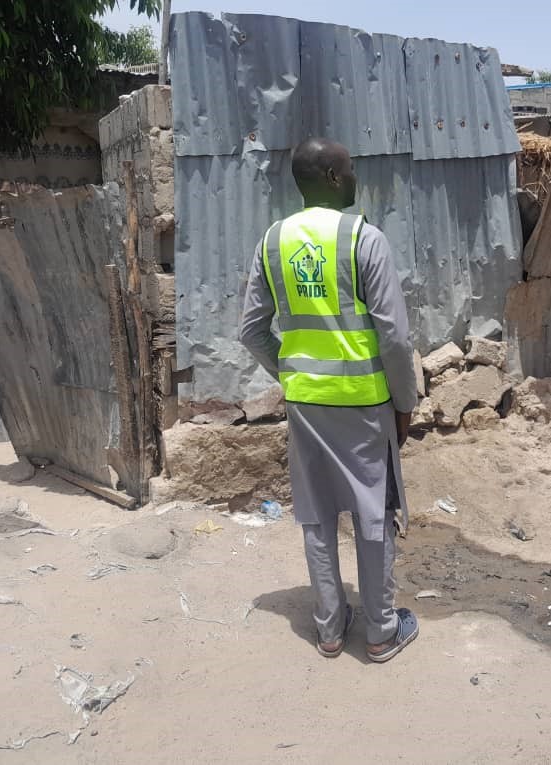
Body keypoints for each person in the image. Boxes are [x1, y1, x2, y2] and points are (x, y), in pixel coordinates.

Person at [240, 137, 419, 662]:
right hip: (364, 401)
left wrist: (292, 372)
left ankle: (330, 627)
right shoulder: (364, 238)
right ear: (335, 178)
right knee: (373, 512)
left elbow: (251, 330)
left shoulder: (272, 242)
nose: (358, 176)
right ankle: (382, 631)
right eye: (352, 168)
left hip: (305, 403)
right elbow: (395, 337)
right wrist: (404, 401)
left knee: (316, 514)